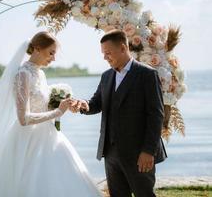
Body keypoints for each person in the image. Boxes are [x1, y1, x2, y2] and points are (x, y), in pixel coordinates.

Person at [0, 31, 103, 197]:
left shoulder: (40, 73)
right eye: (51, 53)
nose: (54, 58)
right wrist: (58, 111)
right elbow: (23, 118)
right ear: (37, 49)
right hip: (27, 140)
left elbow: (41, 105)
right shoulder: (23, 75)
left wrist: (62, 103)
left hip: (49, 135)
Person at [71, 30, 167, 197]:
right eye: (103, 53)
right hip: (111, 153)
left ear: (123, 48)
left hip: (139, 154)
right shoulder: (106, 76)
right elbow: (96, 103)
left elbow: (156, 115)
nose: (104, 57)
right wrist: (82, 105)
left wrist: (148, 151)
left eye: (108, 53)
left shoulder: (147, 74)